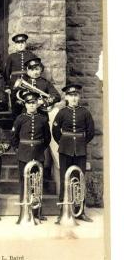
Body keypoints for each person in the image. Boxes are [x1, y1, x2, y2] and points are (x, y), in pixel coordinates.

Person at [52, 84, 95, 223]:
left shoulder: (85, 112)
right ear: (66, 97)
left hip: (81, 149)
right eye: (71, 96)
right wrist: (65, 142)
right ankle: (63, 211)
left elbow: (90, 132)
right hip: (65, 149)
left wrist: (81, 142)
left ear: (79, 97)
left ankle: (80, 211)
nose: (74, 98)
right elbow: (56, 132)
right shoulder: (62, 112)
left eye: (76, 95)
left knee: (79, 179)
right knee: (65, 179)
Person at [10, 91, 51, 221]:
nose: (32, 106)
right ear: (25, 105)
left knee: (37, 184)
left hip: (38, 155)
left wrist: (39, 149)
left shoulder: (43, 119)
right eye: (29, 103)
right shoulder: (20, 118)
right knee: (23, 184)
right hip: (23, 154)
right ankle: (23, 212)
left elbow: (47, 139)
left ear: (37, 105)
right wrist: (19, 150)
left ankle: (36, 213)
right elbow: (14, 138)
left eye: (34, 103)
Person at [4, 33, 38, 118]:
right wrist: (7, 86)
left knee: (28, 104)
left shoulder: (31, 55)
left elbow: (38, 69)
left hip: (28, 83)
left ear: (25, 44)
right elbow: (6, 72)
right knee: (15, 107)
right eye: (18, 43)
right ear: (15, 45)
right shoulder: (11, 57)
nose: (21, 44)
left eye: (22, 42)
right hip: (14, 85)